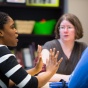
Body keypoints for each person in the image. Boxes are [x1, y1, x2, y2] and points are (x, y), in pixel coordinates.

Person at [0, 11, 63, 88]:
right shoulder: (2, 52)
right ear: (1, 32)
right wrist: (50, 72)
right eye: (12, 27)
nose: (16, 31)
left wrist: (36, 69)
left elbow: (8, 82)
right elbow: (30, 85)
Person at [41, 13, 87, 82]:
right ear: (58, 30)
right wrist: (70, 78)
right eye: (62, 27)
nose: (65, 31)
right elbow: (42, 75)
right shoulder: (49, 46)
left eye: (69, 27)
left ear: (76, 29)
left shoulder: (83, 47)